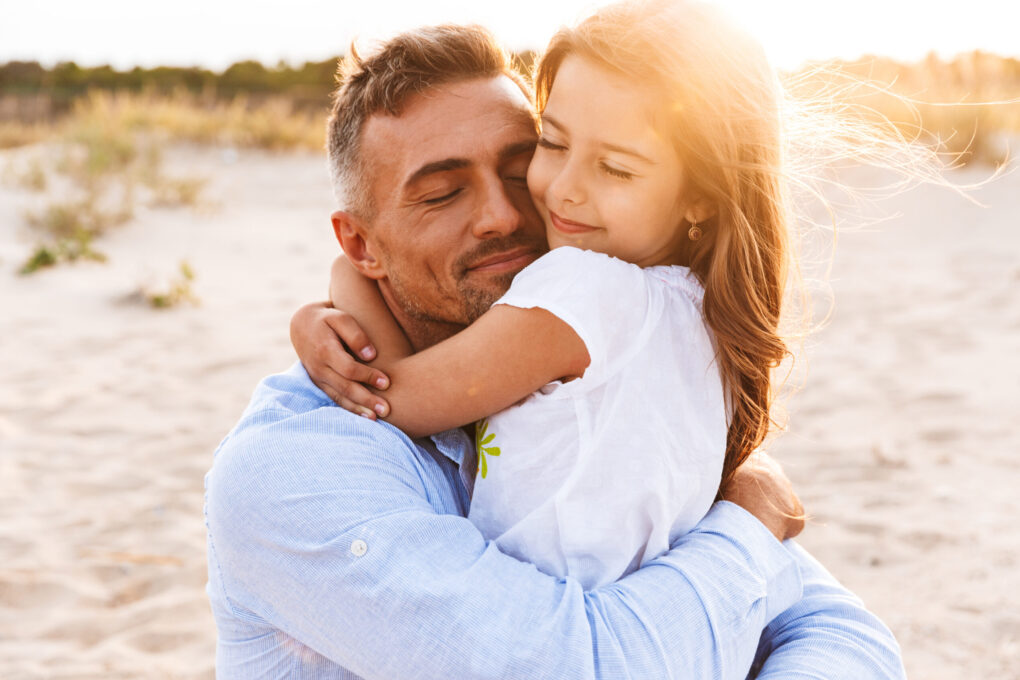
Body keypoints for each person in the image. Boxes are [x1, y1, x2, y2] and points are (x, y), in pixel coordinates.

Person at [205, 20, 906, 680]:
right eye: (443, 194)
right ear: (361, 246)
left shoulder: (604, 370)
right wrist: (749, 526)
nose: (508, 215)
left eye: (519, 166)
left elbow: (845, 637)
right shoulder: (292, 471)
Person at [293, 0, 797, 592]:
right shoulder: (700, 311)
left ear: (702, 195)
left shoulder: (583, 290)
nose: (562, 189)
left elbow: (390, 398)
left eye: (615, 168)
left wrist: (344, 283)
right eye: (553, 144)